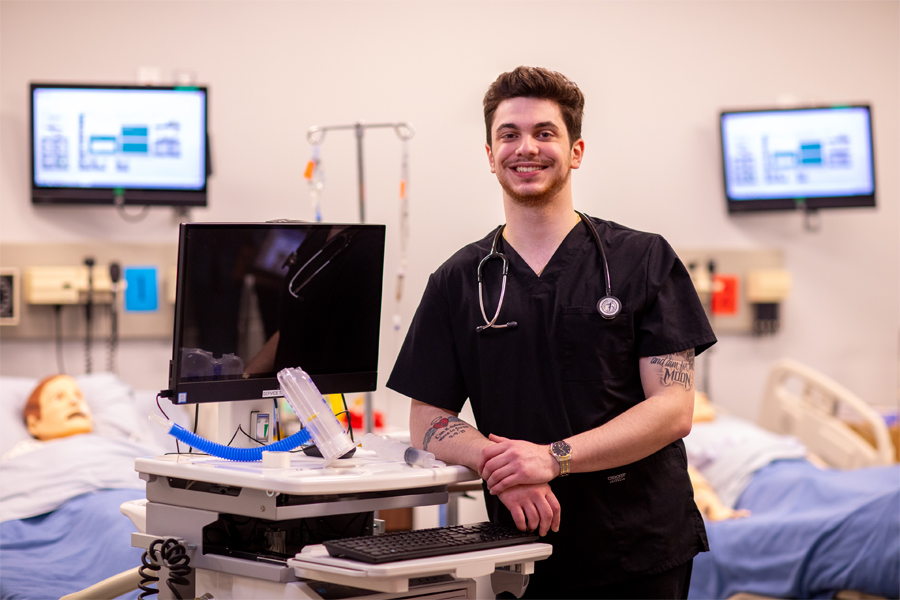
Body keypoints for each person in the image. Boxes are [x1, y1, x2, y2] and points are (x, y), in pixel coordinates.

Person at [387, 66, 717, 599]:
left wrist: (551, 457)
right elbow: (428, 421)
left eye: (545, 133)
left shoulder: (642, 259)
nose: (527, 149)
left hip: (639, 544)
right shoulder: (457, 280)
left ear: (576, 150)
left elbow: (673, 409)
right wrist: (507, 465)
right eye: (509, 135)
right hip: (521, 547)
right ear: (490, 155)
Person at [24, 374, 93, 441]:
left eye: (78, 396)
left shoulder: (101, 444)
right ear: (33, 424)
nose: (74, 401)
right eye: (57, 398)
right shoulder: (29, 450)